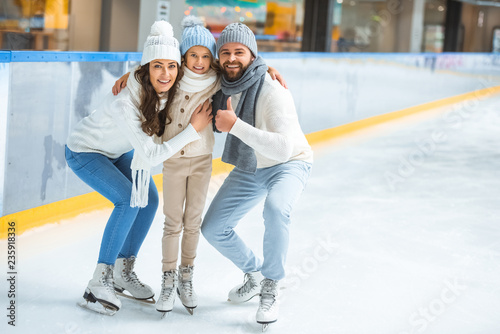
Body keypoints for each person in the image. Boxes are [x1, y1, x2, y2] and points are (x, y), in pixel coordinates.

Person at [112, 16, 287, 315]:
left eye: (206, 56)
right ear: (183, 57)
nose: (200, 61)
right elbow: (156, 68)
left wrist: (267, 67)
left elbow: (244, 69)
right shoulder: (175, 77)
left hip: (202, 161)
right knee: (172, 223)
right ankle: (168, 280)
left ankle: (185, 277)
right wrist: (130, 75)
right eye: (193, 55)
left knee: (193, 222)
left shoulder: (217, 80)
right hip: (173, 162)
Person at [65, 20, 213, 314]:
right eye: (158, 66)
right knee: (127, 200)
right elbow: (152, 153)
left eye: (171, 66)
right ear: (147, 68)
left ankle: (123, 268)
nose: (166, 73)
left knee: (149, 201)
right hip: (86, 151)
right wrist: (193, 129)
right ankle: (100, 279)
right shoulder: (125, 102)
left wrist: (264, 69)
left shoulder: (166, 82)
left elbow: (211, 71)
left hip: (117, 151)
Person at [200, 23, 313, 328]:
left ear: (252, 56)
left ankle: (271, 284)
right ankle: (255, 273)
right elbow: (182, 73)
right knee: (213, 228)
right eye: (225, 52)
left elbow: (282, 148)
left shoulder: (272, 89)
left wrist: (234, 125)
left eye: (240, 52)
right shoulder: (220, 83)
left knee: (276, 208)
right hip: (252, 165)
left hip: (289, 163)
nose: (232, 58)